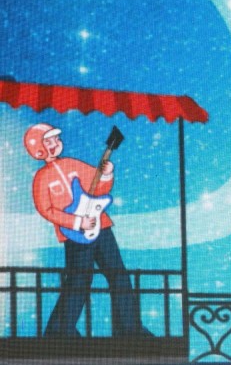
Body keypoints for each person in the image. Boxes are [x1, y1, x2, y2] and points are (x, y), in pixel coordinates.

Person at [26, 122, 149, 338]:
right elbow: (46, 210)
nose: (55, 143)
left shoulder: (72, 164)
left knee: (118, 275)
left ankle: (129, 328)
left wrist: (106, 175)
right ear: (38, 149)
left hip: (101, 226)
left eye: (56, 139)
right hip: (74, 234)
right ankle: (60, 331)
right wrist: (76, 222)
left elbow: (98, 188)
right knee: (79, 280)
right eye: (49, 141)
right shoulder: (41, 178)